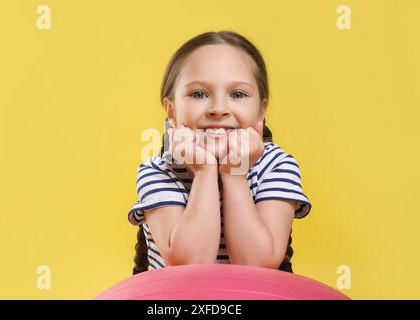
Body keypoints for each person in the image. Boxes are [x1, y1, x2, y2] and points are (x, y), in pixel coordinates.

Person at [128, 30, 312, 275]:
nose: (218, 109)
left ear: (261, 111)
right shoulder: (159, 171)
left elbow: (256, 267)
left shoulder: (277, 165)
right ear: (171, 111)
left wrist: (234, 174)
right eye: (198, 94)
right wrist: (205, 171)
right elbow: (191, 265)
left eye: (237, 94)